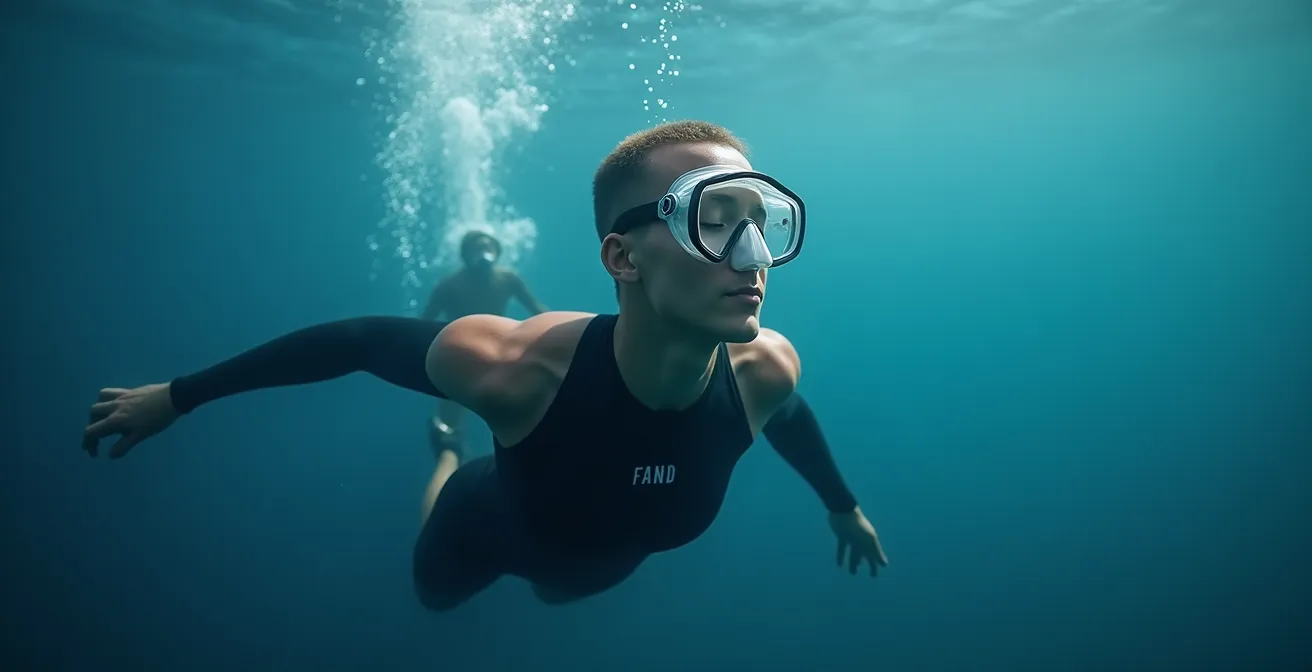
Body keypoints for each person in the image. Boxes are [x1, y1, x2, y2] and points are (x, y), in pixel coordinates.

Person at [82, 120, 888, 612]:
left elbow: (789, 419)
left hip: (594, 565)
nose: (752, 255)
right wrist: (177, 397)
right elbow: (359, 340)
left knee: (558, 594)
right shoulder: (515, 369)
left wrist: (842, 507)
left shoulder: (766, 370)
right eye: (715, 220)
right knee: (431, 600)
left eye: (765, 222)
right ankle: (444, 454)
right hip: (485, 532)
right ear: (623, 256)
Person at [419, 229, 547, 468]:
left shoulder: (508, 279)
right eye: (476, 248)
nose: (484, 253)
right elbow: (423, 324)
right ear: (465, 256)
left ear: (497, 252)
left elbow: (538, 310)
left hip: (500, 354)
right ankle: (450, 456)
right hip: (458, 356)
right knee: (450, 426)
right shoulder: (449, 286)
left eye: (488, 247)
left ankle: (514, 464)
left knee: (515, 414)